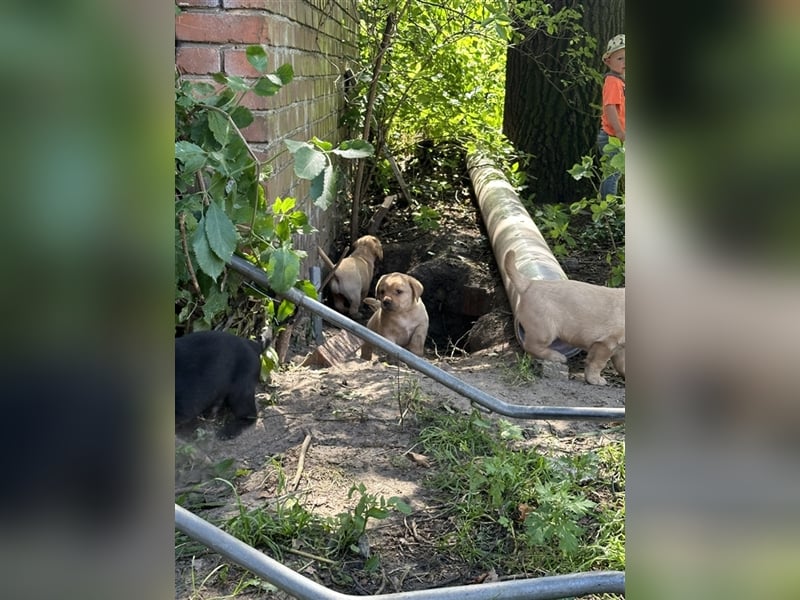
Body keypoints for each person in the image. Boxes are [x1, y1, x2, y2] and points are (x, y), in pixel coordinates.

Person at [597, 34, 625, 199]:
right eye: (620, 58)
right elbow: (610, 108)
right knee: (612, 173)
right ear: (608, 61)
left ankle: (607, 203)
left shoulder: (621, 82)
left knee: (615, 171)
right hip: (612, 136)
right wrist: (620, 131)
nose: (625, 63)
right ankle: (608, 208)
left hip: (617, 136)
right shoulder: (612, 82)